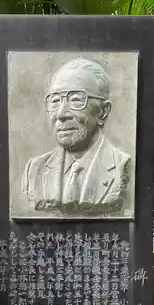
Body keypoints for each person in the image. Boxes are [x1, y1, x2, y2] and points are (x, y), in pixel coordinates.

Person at [22, 57, 131, 214]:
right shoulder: (35, 169)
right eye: (55, 101)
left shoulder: (122, 166)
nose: (61, 114)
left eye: (76, 100)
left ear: (103, 111)